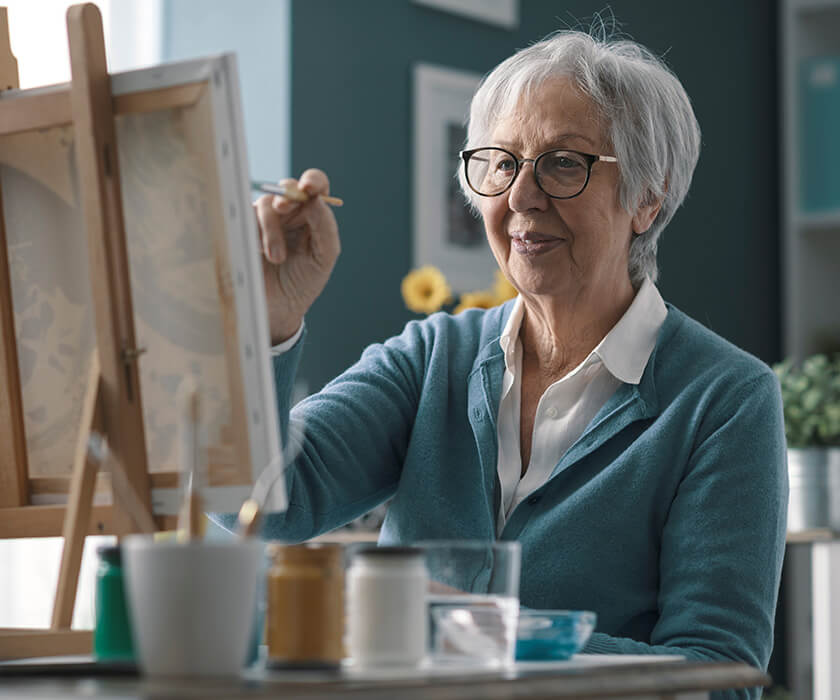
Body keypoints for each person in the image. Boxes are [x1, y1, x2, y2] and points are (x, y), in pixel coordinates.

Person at [246, 29, 787, 696]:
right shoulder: (432, 356)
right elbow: (266, 503)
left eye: (563, 162)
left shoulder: (725, 399)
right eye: (501, 163)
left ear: (647, 198)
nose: (521, 196)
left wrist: (478, 629)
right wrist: (268, 322)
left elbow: (721, 676)